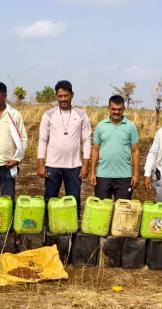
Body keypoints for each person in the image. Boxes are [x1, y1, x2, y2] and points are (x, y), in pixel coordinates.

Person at [37, 80, 91, 216]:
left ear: (72, 95)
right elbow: (43, 140)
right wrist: (41, 165)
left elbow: (86, 140)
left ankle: (72, 232)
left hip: (74, 166)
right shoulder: (48, 115)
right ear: (56, 96)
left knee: (73, 201)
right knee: (49, 200)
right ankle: (48, 231)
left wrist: (85, 165)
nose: (63, 99)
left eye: (66, 96)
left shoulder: (81, 115)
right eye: (60, 96)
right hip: (52, 166)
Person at [90, 95, 140, 200]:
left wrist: (135, 174)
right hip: (103, 175)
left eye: (119, 109)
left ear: (124, 109)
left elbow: (135, 151)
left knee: (122, 210)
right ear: (109, 108)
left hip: (124, 176)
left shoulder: (130, 126)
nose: (116, 112)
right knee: (103, 210)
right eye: (113, 109)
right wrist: (93, 172)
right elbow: (95, 150)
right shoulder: (100, 126)